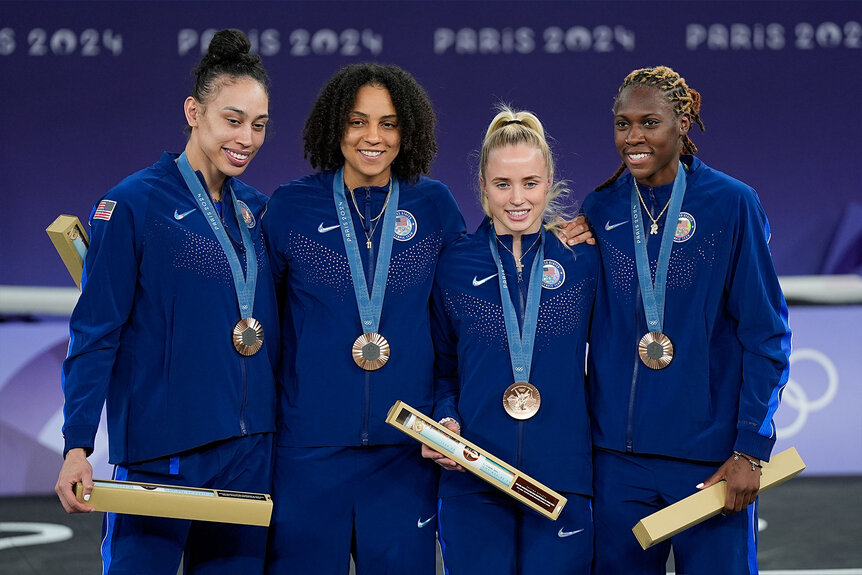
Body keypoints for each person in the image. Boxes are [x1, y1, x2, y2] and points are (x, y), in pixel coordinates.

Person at [54, 29, 279, 574]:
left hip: (248, 457)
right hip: (161, 457)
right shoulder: (132, 204)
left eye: (259, 125)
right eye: (232, 120)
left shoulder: (260, 212)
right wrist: (77, 443)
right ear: (193, 111)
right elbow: (96, 329)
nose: (246, 138)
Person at [582, 65, 791, 574]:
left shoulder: (731, 204)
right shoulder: (602, 207)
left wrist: (750, 449)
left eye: (649, 122)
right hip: (616, 465)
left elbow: (765, 333)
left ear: (683, 122)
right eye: (622, 123)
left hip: (710, 465)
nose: (633, 137)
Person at [262, 62, 463, 575]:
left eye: (389, 123)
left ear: (407, 130)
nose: (373, 137)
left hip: (405, 453)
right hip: (309, 451)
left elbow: (462, 317)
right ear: (335, 127)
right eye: (357, 122)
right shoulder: (291, 207)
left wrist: (563, 234)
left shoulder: (434, 205)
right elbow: (261, 322)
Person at [422, 106, 598, 575]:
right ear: (482, 185)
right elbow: (441, 368)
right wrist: (445, 417)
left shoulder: (583, 262)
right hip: (474, 476)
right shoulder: (454, 264)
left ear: (550, 181)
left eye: (530, 183)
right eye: (503, 185)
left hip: (562, 476)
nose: (517, 199)